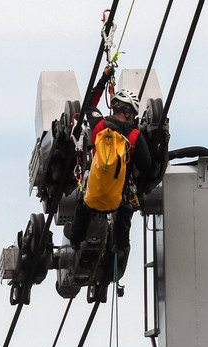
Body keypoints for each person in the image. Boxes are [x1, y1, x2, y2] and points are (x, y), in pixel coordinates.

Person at [65, 65, 152, 255]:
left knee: (83, 204)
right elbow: (146, 164)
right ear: (129, 113)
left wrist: (104, 80)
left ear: (116, 107)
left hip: (94, 192)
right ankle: (121, 246)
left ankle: (75, 240)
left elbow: (88, 104)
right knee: (125, 211)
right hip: (117, 196)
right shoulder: (135, 135)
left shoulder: (99, 125)